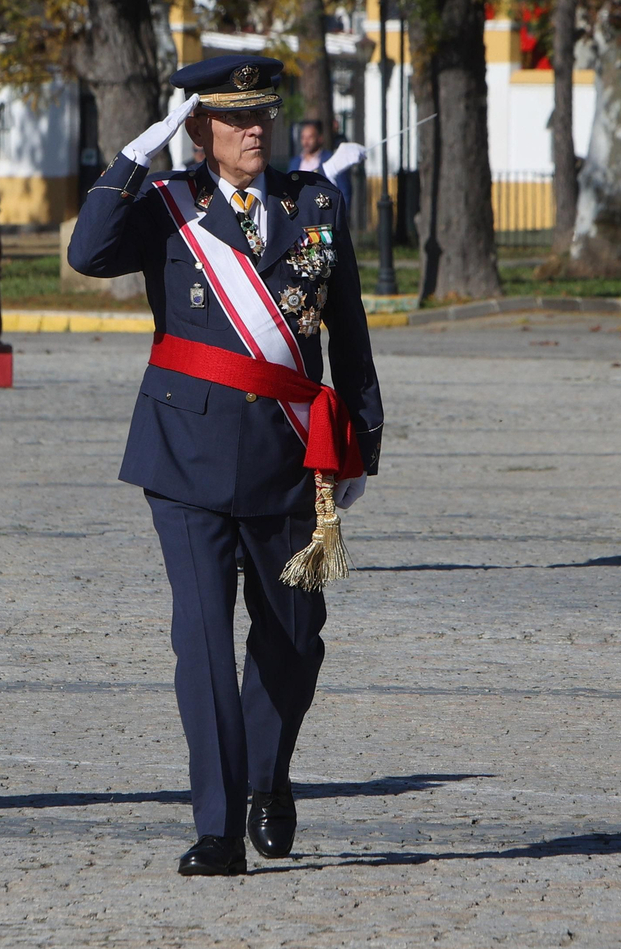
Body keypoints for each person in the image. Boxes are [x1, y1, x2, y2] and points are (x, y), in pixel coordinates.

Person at [68, 55, 384, 877]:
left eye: (263, 116)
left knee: (294, 640)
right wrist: (135, 158)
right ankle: (217, 825)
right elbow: (88, 251)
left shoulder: (312, 201)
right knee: (204, 640)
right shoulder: (169, 204)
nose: (254, 130)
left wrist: (363, 440)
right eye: (235, 118)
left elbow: (345, 324)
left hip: (287, 453)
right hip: (186, 457)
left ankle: (267, 777)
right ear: (201, 129)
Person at [289, 119, 355, 201]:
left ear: (319, 138)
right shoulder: (295, 162)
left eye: (310, 137)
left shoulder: (330, 159)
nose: (306, 141)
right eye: (303, 137)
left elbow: (344, 190)